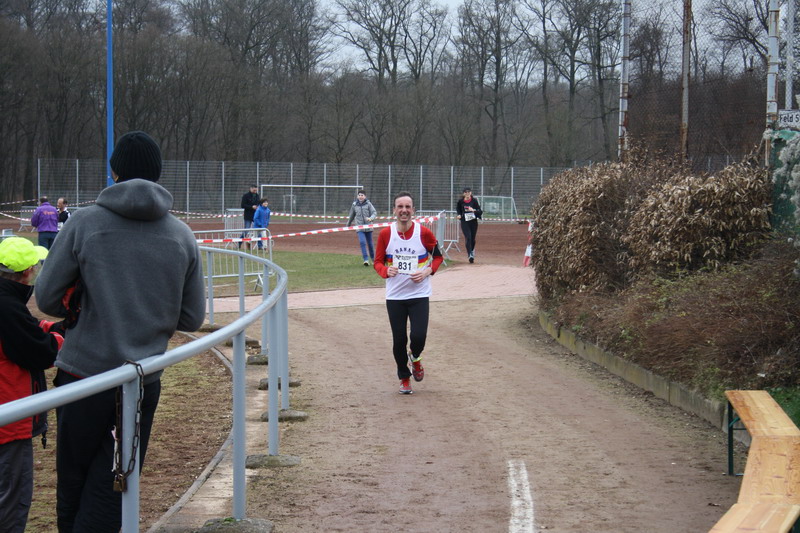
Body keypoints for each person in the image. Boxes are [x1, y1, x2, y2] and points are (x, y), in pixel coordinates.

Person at [34, 130, 206, 532]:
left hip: (81, 377)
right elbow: (192, 318)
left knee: (73, 480)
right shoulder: (182, 235)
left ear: (114, 173)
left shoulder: (84, 222)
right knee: (116, 483)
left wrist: (85, 303)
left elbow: (46, 297)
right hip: (141, 380)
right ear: (159, 174)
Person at [0, 237, 64, 533]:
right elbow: (38, 352)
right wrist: (61, 338)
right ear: (27, 272)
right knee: (11, 499)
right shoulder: (7, 307)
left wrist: (47, 328)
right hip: (9, 419)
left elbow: (22, 330)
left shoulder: (8, 303)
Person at [373, 191, 444, 394]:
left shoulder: (423, 233)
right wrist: (386, 271)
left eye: (407, 207)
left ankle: (415, 357)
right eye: (400, 207)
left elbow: (438, 257)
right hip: (395, 296)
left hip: (419, 294)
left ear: (413, 210)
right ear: (394, 210)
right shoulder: (386, 234)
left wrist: (427, 271)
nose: (404, 210)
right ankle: (404, 377)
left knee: (418, 336)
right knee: (399, 340)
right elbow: (377, 262)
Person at [347, 189, 378, 266]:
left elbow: (374, 212)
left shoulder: (368, 204)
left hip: (369, 227)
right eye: (359, 195)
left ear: (365, 196)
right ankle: (366, 260)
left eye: (362, 195)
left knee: (370, 244)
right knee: (362, 242)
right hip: (359, 227)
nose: (360, 197)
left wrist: (371, 218)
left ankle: (373, 259)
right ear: (357, 196)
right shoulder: (354, 205)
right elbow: (352, 215)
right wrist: (348, 224)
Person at [456, 187, 482, 263]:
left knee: (473, 239)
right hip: (465, 221)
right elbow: (458, 210)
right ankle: (470, 254)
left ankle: (472, 251)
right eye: (465, 192)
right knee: (468, 237)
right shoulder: (460, 201)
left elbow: (480, 211)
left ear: (471, 193)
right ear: (463, 193)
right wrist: (459, 215)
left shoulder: (474, 201)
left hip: (473, 222)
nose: (467, 193)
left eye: (468, 192)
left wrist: (473, 210)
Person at [240, 184, 260, 249]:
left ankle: (260, 245)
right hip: (248, 215)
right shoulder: (245, 196)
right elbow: (243, 205)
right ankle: (239, 242)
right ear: (250, 189)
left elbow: (259, 203)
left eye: (256, 190)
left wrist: (258, 207)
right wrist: (251, 207)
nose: (255, 191)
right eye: (254, 190)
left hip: (255, 216)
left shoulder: (257, 196)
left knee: (258, 230)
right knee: (246, 230)